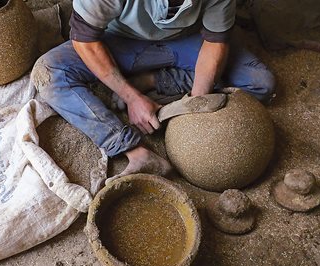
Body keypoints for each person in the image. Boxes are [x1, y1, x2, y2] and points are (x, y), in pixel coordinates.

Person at [33, 0, 276, 183]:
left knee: (259, 83)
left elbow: (215, 41)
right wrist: (131, 98)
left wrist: (197, 106)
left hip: (186, 39)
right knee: (49, 72)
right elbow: (85, 39)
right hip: (118, 40)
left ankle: (154, 79)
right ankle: (137, 152)